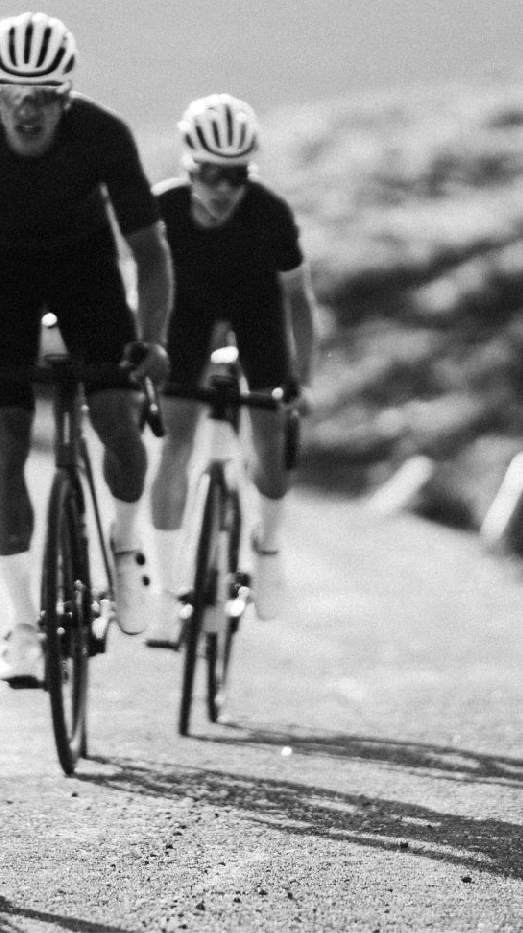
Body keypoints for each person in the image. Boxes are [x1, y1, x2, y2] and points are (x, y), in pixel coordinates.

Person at [0, 12, 171, 687]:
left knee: (118, 419)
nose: (27, 109)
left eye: (43, 96)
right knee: (6, 438)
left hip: (86, 272)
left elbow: (150, 253)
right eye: (14, 93)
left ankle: (125, 545)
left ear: (65, 97)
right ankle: (22, 624)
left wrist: (153, 341)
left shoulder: (102, 135)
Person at [143, 94, 317, 644]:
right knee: (174, 443)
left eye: (236, 176)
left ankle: (268, 548)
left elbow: (298, 299)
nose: (223, 188)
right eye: (210, 174)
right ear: (189, 167)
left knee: (271, 439)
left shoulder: (270, 213)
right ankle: (166, 589)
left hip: (256, 311)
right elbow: (141, 286)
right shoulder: (163, 208)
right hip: (187, 314)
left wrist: (302, 378)